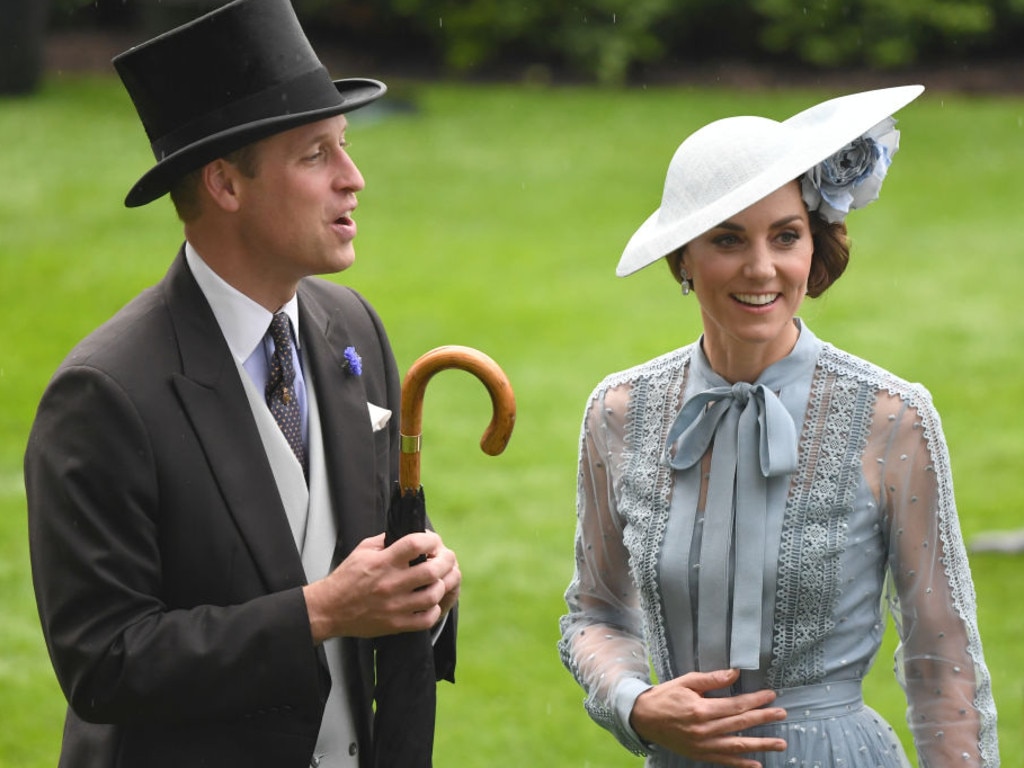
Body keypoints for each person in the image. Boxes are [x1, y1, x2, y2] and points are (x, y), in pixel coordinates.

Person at [24, 1, 459, 766]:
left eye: (345, 148)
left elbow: (372, 569)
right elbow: (105, 662)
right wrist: (320, 612)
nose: (353, 180)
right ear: (225, 185)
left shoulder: (352, 328)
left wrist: (422, 591)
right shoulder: (104, 395)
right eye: (316, 155)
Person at [558, 85, 999, 767]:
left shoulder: (892, 417)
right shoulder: (619, 413)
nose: (762, 268)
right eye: (728, 239)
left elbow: (943, 660)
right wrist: (635, 704)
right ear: (683, 259)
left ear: (811, 243)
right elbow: (596, 614)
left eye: (785, 236)